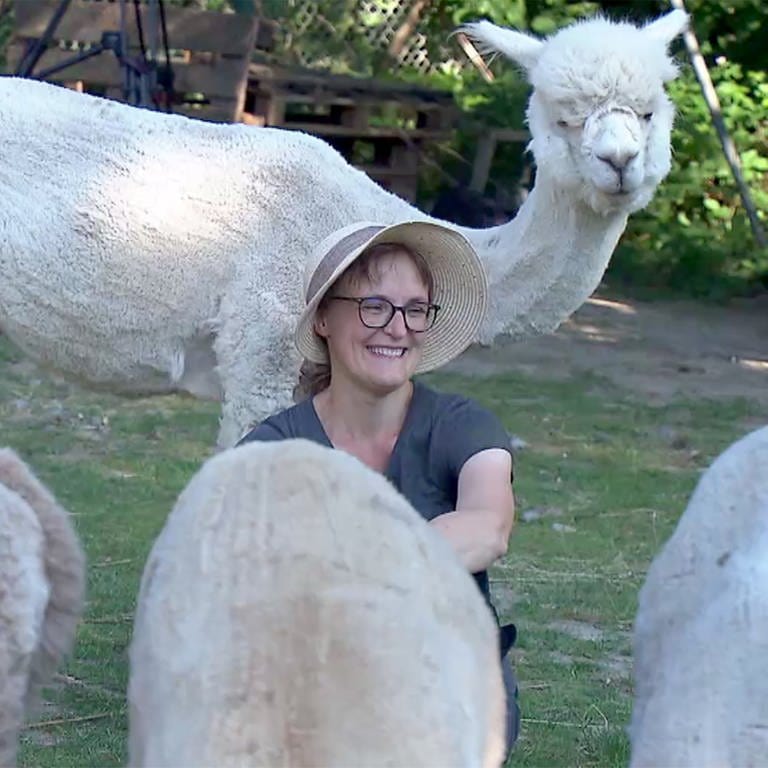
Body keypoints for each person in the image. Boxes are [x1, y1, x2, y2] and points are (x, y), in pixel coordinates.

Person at [238, 220, 520, 754]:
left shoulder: (462, 424)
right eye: (374, 306)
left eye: (415, 309)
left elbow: (488, 526)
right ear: (323, 317)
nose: (397, 327)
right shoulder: (271, 449)